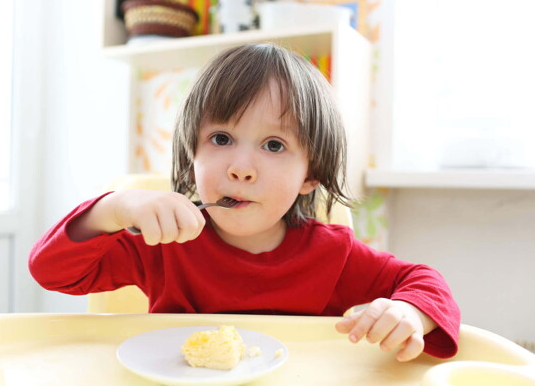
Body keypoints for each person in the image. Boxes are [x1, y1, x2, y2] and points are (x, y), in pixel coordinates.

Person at [29, 43, 460, 362]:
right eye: (221, 139)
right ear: (191, 155)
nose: (241, 168)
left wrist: (407, 311)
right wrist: (115, 209)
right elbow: (51, 271)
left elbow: (427, 284)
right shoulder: (164, 242)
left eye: (273, 145)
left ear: (310, 175)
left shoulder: (335, 255)